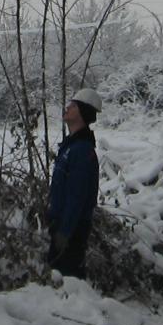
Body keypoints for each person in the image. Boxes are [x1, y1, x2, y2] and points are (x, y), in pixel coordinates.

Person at [48, 87, 102, 278]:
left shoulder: (81, 150)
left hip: (71, 229)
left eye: (72, 106)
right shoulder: (71, 146)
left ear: (81, 112)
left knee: (68, 281)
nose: (66, 108)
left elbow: (76, 196)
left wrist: (65, 231)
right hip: (62, 225)